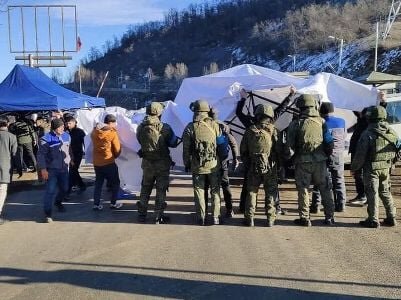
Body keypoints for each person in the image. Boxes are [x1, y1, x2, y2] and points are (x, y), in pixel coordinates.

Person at [236, 88, 295, 213]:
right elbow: (281, 109)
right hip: (269, 163)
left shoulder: (250, 124)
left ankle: (244, 208)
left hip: (253, 162)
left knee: (249, 186)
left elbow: (238, 112)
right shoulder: (271, 124)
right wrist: (291, 95)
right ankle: (276, 208)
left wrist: (243, 98)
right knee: (272, 187)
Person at [286, 94, 335, 226]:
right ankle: (329, 217)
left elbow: (289, 147)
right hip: (320, 161)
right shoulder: (322, 122)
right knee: (325, 188)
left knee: (303, 190)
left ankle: (305, 218)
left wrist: (288, 161)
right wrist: (327, 155)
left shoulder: (295, 124)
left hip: (302, 162)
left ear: (300, 107)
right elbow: (329, 142)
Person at [351, 106, 398, 228]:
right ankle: (391, 217)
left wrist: (354, 168)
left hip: (371, 169)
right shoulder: (391, 132)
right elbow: (398, 149)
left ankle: (373, 219)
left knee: (372, 193)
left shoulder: (367, 134)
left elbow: (360, 155)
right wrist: (392, 162)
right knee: (385, 192)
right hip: (386, 167)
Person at [136, 102, 179, 224]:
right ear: (160, 112)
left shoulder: (141, 127)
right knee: (161, 190)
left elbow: (140, 141)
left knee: (145, 188)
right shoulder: (165, 127)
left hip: (147, 163)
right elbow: (173, 143)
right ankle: (158, 216)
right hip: (162, 164)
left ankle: (141, 214)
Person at [182, 99, 223, 225]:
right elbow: (221, 144)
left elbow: (186, 149)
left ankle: (201, 217)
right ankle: (216, 217)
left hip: (197, 165)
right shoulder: (215, 125)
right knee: (215, 191)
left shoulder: (190, 127)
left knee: (199, 191)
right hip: (213, 165)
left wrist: (187, 164)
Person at [240, 104, 280, 227]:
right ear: (270, 116)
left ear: (257, 115)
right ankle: (270, 219)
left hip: (254, 166)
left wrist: (249, 163)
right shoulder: (273, 130)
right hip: (270, 167)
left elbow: (243, 151)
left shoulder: (250, 131)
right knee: (271, 192)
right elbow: (278, 150)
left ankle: (250, 218)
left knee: (252, 192)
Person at [311, 102, 347, 213]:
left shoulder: (319, 122)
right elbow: (344, 136)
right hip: (338, 155)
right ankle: (341, 205)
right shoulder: (342, 121)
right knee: (339, 180)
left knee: (319, 181)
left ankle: (316, 205)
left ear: (321, 112)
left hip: (323, 155)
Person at [37, 118, 72, 223]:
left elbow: (69, 149)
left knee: (65, 189)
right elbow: (41, 155)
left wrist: (71, 159)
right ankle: (48, 213)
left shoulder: (67, 136)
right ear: (54, 128)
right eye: (60, 127)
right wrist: (43, 169)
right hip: (51, 170)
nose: (62, 128)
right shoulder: (46, 139)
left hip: (64, 168)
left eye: (63, 126)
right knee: (50, 191)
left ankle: (58, 202)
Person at [205, 108, 239, 218]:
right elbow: (233, 143)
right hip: (223, 160)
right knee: (225, 185)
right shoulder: (224, 126)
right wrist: (235, 158)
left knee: (207, 186)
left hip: (208, 161)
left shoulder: (203, 125)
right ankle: (229, 209)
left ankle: (205, 211)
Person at [91, 114, 122, 211]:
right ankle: (113, 203)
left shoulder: (94, 131)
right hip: (108, 162)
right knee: (115, 183)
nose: (115, 125)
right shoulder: (112, 133)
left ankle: (96, 204)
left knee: (98, 184)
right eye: (114, 123)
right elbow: (117, 149)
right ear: (111, 123)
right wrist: (115, 156)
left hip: (97, 163)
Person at [348, 108, 368, 205]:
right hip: (355, 151)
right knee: (357, 174)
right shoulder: (360, 121)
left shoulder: (367, 123)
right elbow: (355, 111)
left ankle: (363, 196)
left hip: (360, 152)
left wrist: (383, 102)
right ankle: (361, 195)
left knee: (359, 174)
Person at [0, 117, 18, 225]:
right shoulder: (12, 137)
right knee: (2, 191)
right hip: (4, 167)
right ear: (7, 124)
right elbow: (14, 154)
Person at [65, 116, 86, 194]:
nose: (68, 125)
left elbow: (85, 142)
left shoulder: (80, 131)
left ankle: (67, 191)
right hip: (68, 154)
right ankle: (81, 184)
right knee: (74, 171)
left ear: (74, 122)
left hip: (77, 154)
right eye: (67, 123)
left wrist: (87, 152)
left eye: (70, 123)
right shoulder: (65, 132)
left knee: (72, 171)